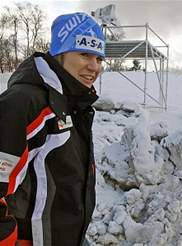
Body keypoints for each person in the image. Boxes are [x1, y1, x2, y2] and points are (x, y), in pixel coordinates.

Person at [0, 12, 105, 246]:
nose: (94, 66)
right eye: (84, 54)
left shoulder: (73, 103)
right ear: (60, 54)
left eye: (99, 58)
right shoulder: (23, 103)